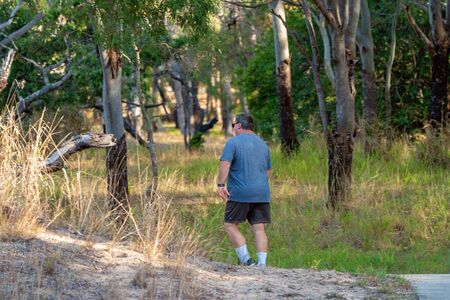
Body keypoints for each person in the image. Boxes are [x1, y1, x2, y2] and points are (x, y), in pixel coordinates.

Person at [217, 113, 272, 267]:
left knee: (230, 225)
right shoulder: (263, 145)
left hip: (240, 193)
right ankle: (262, 264)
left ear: (239, 125)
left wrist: (221, 185)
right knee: (259, 228)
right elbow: (268, 171)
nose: (233, 127)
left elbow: (225, 164)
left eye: (234, 124)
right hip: (262, 193)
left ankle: (247, 260)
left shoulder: (233, 142)